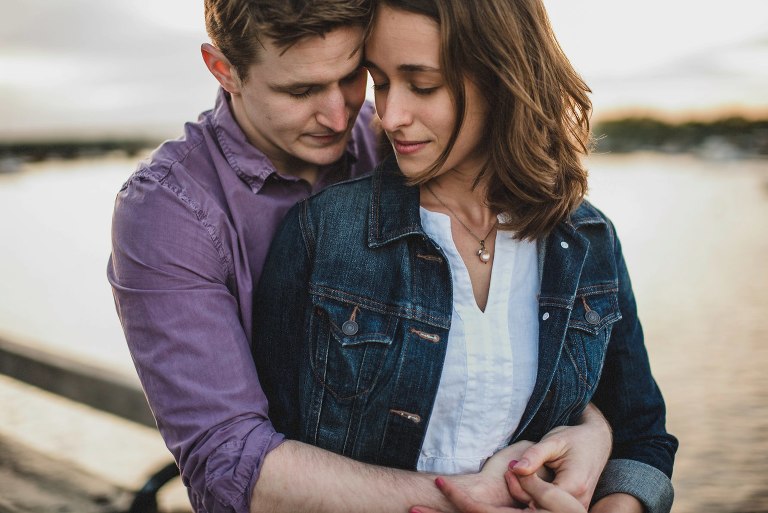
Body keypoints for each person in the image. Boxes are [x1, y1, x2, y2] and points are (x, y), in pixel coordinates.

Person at [107, 1, 618, 513]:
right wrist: (470, 498)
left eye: (355, 77)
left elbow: (495, 347)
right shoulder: (168, 211)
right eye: (300, 91)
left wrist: (594, 429)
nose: (340, 117)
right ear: (224, 70)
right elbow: (226, 460)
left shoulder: (403, 139)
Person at [252, 1, 678, 513]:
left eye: (423, 85)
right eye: (380, 82)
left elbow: (641, 437)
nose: (389, 115)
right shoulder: (322, 233)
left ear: (503, 79)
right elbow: (263, 458)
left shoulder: (588, 240)